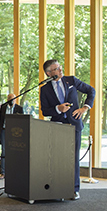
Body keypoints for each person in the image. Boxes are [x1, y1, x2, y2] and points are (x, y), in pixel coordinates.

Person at [39, 59, 96, 200]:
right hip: (57, 127)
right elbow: (45, 111)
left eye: (59, 67)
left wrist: (84, 108)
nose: (60, 69)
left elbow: (91, 90)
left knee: (73, 159)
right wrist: (58, 109)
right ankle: (57, 189)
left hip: (74, 125)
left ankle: (74, 189)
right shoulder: (44, 89)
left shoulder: (71, 80)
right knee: (57, 159)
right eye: (57, 68)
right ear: (49, 73)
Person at [0, 92, 24, 180]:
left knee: (15, 150)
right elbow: (0, 121)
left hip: (15, 132)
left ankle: (14, 171)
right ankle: (3, 172)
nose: (11, 100)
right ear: (7, 100)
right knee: (4, 151)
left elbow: (22, 122)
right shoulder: (3, 107)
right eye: (10, 98)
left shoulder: (19, 108)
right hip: (4, 131)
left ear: (15, 99)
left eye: (13, 98)